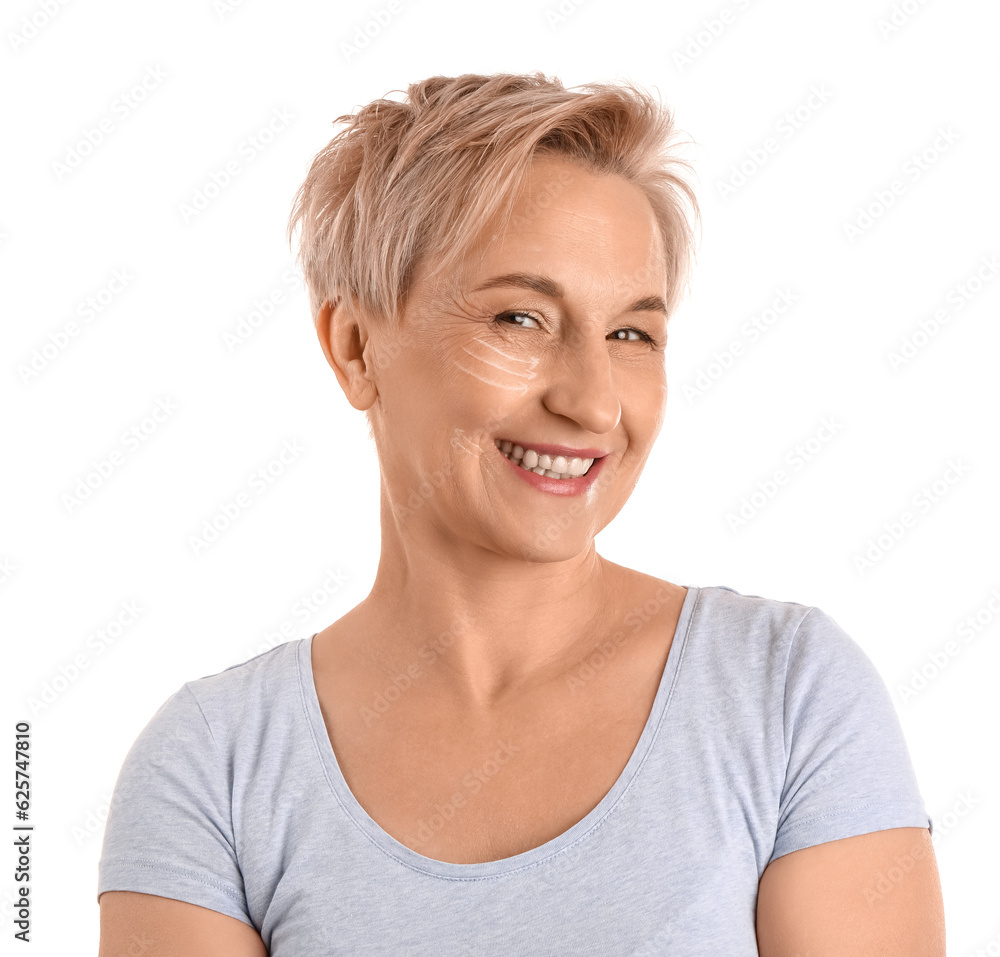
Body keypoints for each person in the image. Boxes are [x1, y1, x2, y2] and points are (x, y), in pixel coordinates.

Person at [96, 72, 946, 956]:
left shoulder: (787, 694)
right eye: (521, 317)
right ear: (355, 347)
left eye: (631, 334)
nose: (594, 404)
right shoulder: (213, 765)